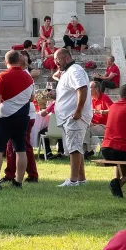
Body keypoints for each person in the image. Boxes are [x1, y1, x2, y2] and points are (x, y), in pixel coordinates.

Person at [0, 49, 36, 190]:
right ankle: (18, 181)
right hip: (23, 116)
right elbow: (32, 98)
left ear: (6, 61)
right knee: (20, 149)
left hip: (5, 117)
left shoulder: (2, 76)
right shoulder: (28, 78)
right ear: (19, 61)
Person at [50, 48, 92, 187]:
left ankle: (73, 181)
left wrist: (78, 110)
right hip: (68, 116)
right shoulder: (67, 71)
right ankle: (81, 178)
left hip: (74, 116)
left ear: (67, 58)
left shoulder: (75, 70)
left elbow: (82, 89)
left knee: (74, 148)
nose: (56, 63)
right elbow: (57, 75)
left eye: (58, 59)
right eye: (55, 60)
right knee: (75, 147)